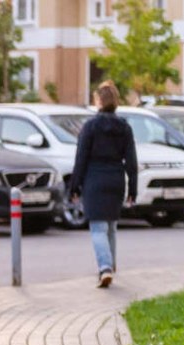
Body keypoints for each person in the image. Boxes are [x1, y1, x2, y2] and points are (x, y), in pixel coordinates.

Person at [67, 80, 138, 288]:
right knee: (111, 227)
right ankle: (111, 265)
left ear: (98, 100)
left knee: (98, 227)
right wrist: (132, 188)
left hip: (94, 180)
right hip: (116, 179)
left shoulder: (90, 127)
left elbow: (81, 159)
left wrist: (74, 186)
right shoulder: (124, 127)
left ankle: (105, 268)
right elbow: (132, 161)